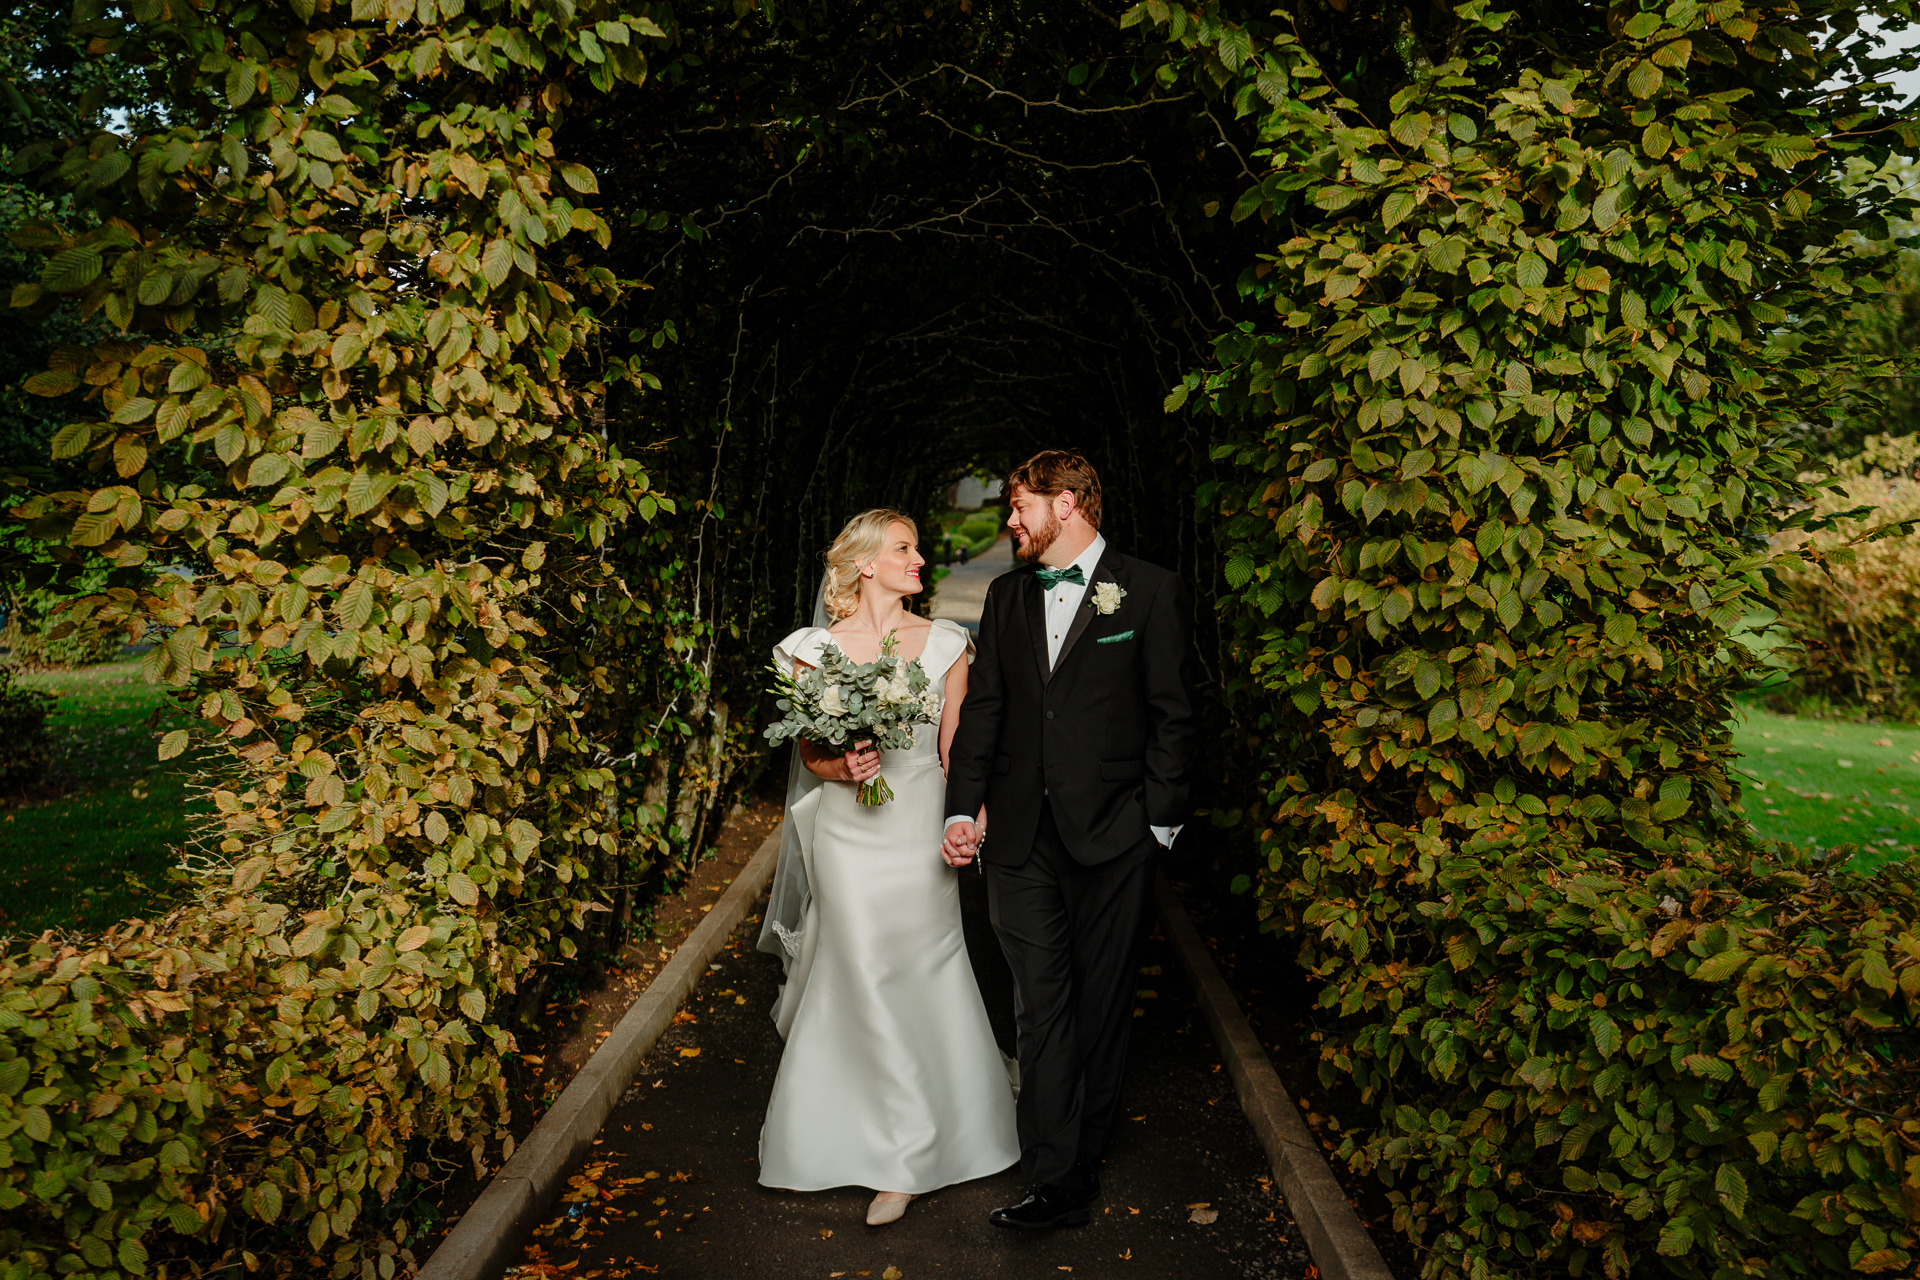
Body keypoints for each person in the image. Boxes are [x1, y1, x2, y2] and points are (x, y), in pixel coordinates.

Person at [941, 450, 1197, 1230]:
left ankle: (1079, 1157)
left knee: (1100, 1006)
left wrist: (1157, 824)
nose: (1010, 521)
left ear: (1071, 503)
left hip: (1116, 836)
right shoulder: (1006, 595)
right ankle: (1055, 1181)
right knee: (1039, 1006)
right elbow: (984, 710)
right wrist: (961, 809)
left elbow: (1173, 713)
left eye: (1020, 507)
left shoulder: (1149, 589)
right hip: (1020, 841)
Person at [757, 509, 1018, 1226]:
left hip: (918, 830)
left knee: (922, 967)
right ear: (866, 563)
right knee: (862, 969)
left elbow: (957, 750)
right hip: (848, 834)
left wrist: (971, 819)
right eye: (906, 549)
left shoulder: (943, 644)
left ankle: (928, 1133)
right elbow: (810, 754)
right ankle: (891, 1146)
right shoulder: (812, 649)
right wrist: (844, 765)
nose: (921, 562)